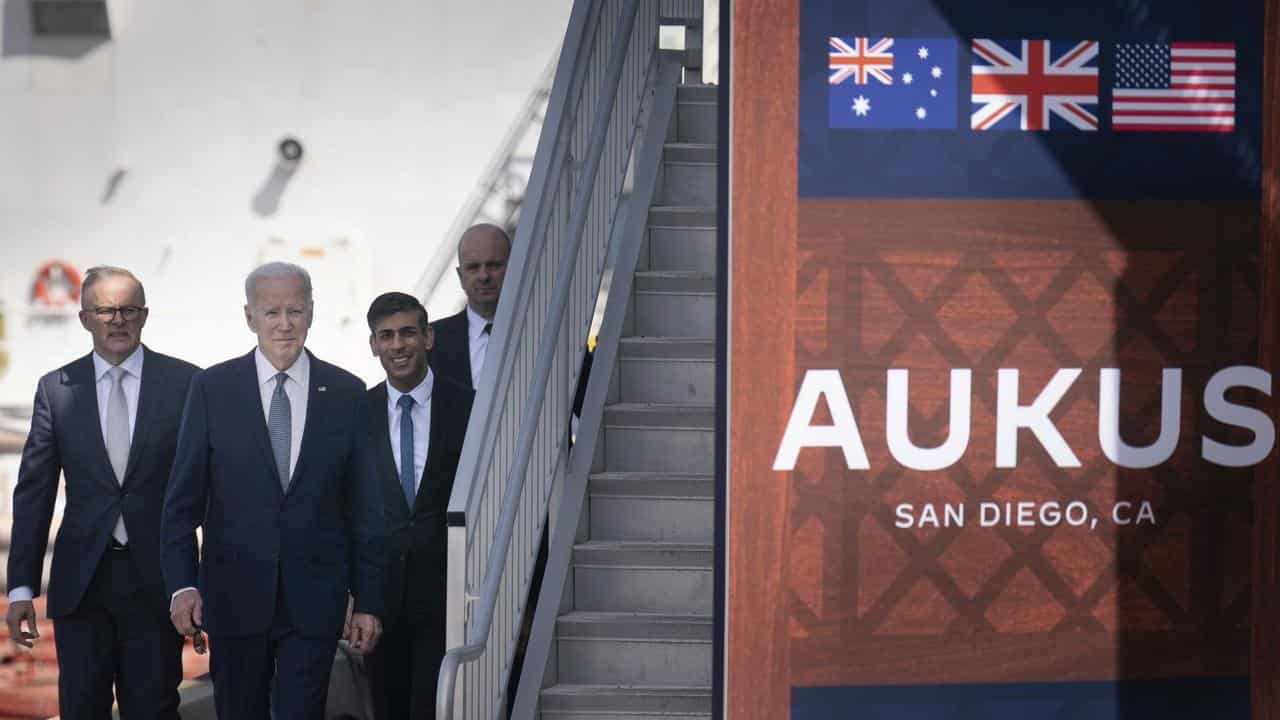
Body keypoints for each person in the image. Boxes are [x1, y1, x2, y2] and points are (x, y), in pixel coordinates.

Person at [161, 262, 386, 720]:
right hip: (234, 597)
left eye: (295, 310)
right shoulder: (212, 389)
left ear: (311, 314)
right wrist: (183, 585)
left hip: (316, 603)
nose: (284, 323)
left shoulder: (346, 393)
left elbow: (366, 509)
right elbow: (181, 503)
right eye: (271, 312)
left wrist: (368, 601)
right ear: (249, 317)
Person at [6, 266, 199, 719]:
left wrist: (200, 584)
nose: (117, 320)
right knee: (82, 708)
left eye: (128, 310)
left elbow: (207, 488)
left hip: (158, 584)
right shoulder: (56, 389)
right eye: (105, 310)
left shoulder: (187, 384)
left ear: (144, 316)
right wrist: (20, 588)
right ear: (84, 318)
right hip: (82, 585)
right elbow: (34, 492)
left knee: (153, 708)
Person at [363, 292, 473, 719]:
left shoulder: (469, 406)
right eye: (386, 336)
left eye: (408, 332)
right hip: (380, 599)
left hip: (450, 594)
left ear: (428, 337)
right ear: (373, 344)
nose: (398, 345)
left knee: (436, 709)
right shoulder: (358, 411)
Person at [429, 223, 511, 389]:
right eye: (473, 267)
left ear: (512, 267)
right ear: (461, 276)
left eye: (493, 265)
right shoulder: (430, 342)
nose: (484, 276)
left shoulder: (544, 330)